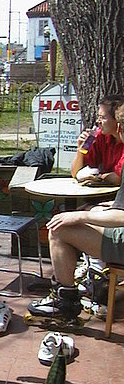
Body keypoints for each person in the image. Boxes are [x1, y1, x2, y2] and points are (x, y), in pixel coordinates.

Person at [28, 101, 124, 323]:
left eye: (103, 119)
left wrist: (81, 215)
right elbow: (77, 171)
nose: (99, 124)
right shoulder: (100, 138)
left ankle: (65, 301)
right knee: (75, 218)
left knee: (59, 228)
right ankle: (83, 283)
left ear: (118, 128)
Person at [70, 95, 124, 184]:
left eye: (103, 117)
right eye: (98, 117)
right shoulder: (100, 137)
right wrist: (80, 149)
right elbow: (76, 173)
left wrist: (98, 176)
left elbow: (120, 178)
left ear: (117, 119)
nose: (98, 121)